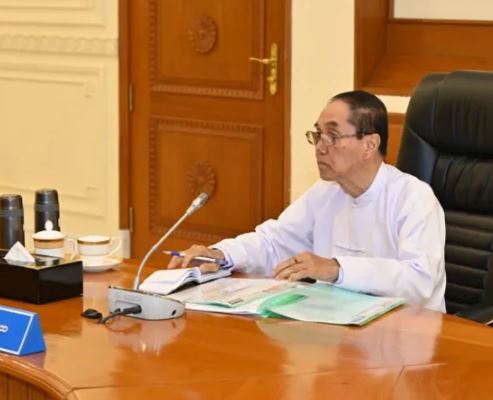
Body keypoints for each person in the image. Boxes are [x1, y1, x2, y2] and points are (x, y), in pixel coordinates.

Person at [168, 91, 446, 312]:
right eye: (318, 135)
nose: (320, 147)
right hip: (340, 329)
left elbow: (418, 282)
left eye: (333, 136)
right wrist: (222, 254)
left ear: (370, 145)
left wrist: (336, 269)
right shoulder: (325, 192)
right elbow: (273, 242)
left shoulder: (413, 198)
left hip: (406, 336)